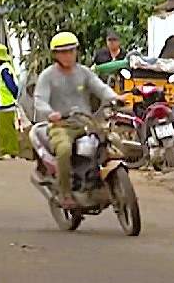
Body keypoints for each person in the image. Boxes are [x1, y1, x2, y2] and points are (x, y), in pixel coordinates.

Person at [33, 31, 120, 208]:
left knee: (112, 142)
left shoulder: (84, 73)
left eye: (71, 51)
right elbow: (39, 100)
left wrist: (115, 97)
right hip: (62, 126)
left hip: (87, 123)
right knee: (64, 150)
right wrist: (50, 113)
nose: (68, 55)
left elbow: (100, 88)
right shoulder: (48, 76)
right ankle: (65, 194)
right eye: (63, 52)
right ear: (56, 55)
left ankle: (101, 182)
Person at [0, 43, 21, 158]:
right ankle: (4, 150)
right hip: (2, 103)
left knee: (8, 129)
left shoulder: (5, 70)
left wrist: (15, 98)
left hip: (6, 103)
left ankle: (11, 151)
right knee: (2, 129)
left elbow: (11, 86)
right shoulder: (1, 69)